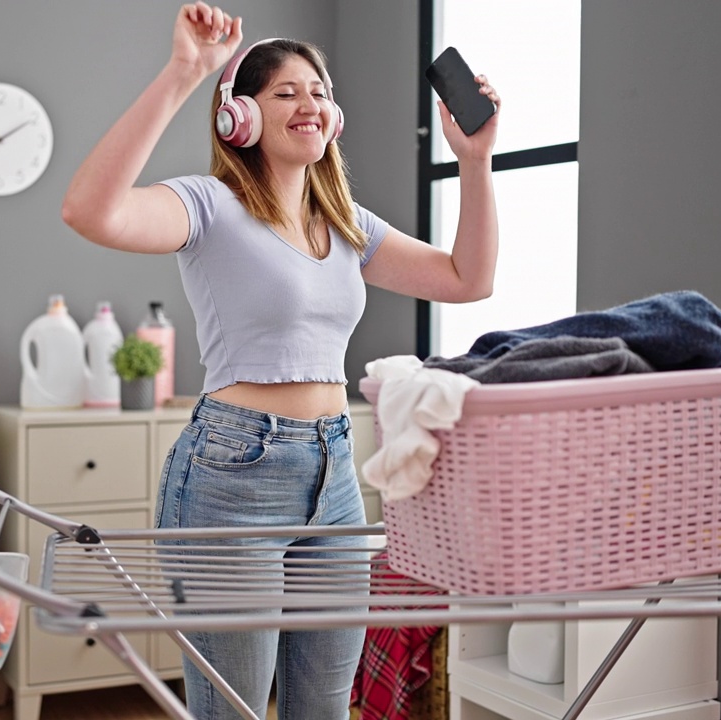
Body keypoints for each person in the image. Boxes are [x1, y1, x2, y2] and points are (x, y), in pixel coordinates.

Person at [62, 4, 500, 718]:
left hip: (334, 474)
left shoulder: (349, 224)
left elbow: (467, 278)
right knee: (233, 707)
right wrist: (184, 74)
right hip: (232, 474)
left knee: (324, 708)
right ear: (240, 119)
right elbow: (90, 210)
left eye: (320, 91)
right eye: (286, 92)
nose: (310, 103)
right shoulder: (208, 205)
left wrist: (475, 162)